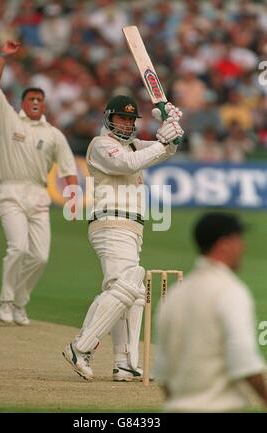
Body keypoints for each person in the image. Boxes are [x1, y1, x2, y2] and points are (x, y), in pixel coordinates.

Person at [62, 94, 184, 381]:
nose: (127, 124)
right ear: (109, 118)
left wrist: (173, 127)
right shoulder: (101, 144)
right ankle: (80, 347)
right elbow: (130, 163)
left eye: (131, 119)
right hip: (111, 223)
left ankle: (125, 363)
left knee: (133, 294)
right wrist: (164, 143)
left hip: (132, 228)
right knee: (125, 288)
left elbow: (162, 151)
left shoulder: (133, 144)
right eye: (122, 118)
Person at [0, 41, 78, 326]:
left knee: (39, 256)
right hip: (11, 191)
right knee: (19, 249)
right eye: (31, 99)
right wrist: (2, 57)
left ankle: (20, 303)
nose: (36, 102)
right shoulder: (8, 119)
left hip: (38, 195)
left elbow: (67, 168)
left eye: (40, 99)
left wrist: (74, 198)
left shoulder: (53, 134)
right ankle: (5, 301)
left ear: (44, 104)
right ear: (24, 103)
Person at [154, 212, 267, 412]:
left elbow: (163, 372)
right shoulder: (230, 290)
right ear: (224, 244)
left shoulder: (174, 294)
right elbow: (243, 359)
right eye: (238, 239)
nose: (243, 246)